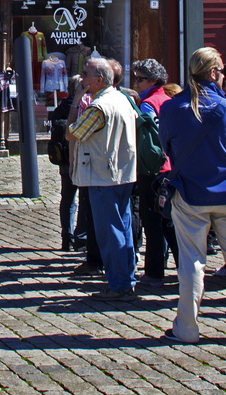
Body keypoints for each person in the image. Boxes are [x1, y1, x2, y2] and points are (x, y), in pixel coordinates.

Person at [159, 47, 226, 344]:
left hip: (191, 192)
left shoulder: (172, 108)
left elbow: (167, 146)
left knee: (191, 261)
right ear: (215, 73)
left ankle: (187, 328)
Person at [67, 58, 138, 301]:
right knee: (123, 228)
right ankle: (126, 278)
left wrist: (76, 102)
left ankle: (120, 285)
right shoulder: (122, 98)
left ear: (98, 80)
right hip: (123, 173)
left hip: (103, 175)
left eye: (85, 74)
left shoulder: (99, 106)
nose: (81, 78)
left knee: (110, 233)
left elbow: (72, 133)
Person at [130, 58, 175, 288]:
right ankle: (185, 268)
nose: (135, 83)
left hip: (153, 168)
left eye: (140, 79)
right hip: (171, 167)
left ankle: (154, 272)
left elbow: (147, 140)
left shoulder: (147, 104)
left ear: (153, 80)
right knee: (169, 220)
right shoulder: (168, 100)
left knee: (153, 221)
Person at [49, 78, 83, 251]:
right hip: (81, 157)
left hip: (64, 158)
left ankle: (66, 236)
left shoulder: (60, 107)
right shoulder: (83, 106)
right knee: (84, 199)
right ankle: (80, 237)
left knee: (68, 198)